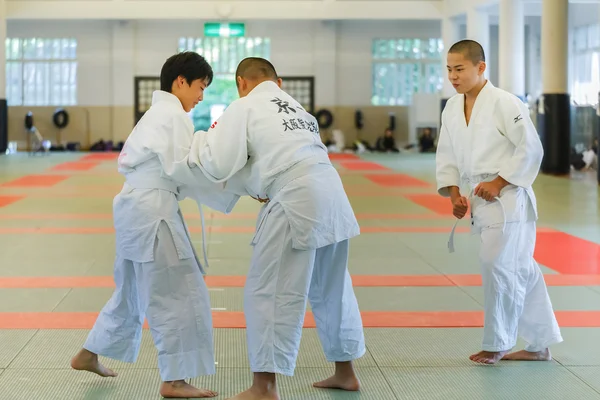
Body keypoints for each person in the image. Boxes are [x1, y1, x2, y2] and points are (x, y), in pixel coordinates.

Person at [188, 57, 365, 400]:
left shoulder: (244, 106)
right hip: (332, 194)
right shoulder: (301, 112)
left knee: (267, 290)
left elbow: (221, 161)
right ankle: (346, 372)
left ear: (241, 82)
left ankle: (264, 387)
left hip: (296, 199)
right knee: (333, 287)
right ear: (278, 82)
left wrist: (196, 144)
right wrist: (260, 186)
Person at [70, 51, 240, 398]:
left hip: (135, 209)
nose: (201, 96)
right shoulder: (172, 115)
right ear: (180, 82)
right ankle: (174, 380)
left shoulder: (158, 113)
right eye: (200, 87)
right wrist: (235, 185)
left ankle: (89, 352)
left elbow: (178, 171)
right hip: (152, 213)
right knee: (179, 292)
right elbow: (184, 169)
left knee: (131, 290)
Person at [435, 40, 563, 365]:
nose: (453, 76)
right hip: (479, 196)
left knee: (497, 266)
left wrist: (500, 181)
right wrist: (453, 194)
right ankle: (540, 344)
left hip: (508, 196)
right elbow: (447, 153)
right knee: (522, 269)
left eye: (459, 69)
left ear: (480, 67)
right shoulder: (452, 107)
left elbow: (530, 148)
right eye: (449, 69)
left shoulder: (506, 102)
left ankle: (497, 343)